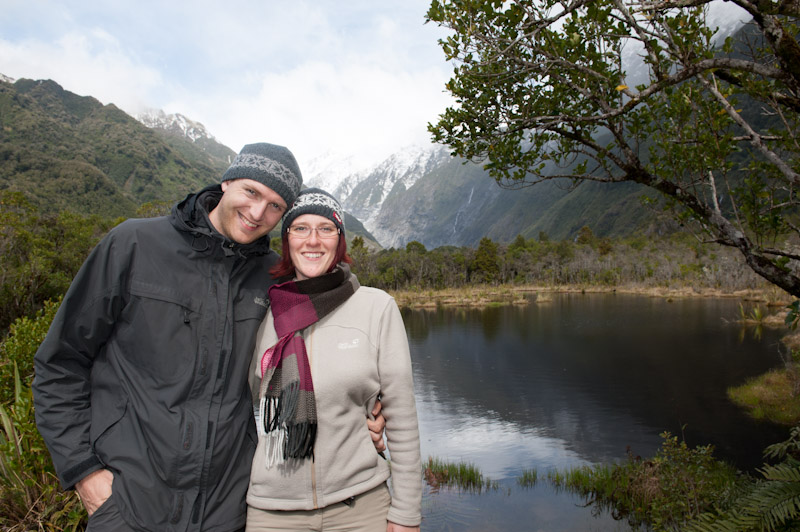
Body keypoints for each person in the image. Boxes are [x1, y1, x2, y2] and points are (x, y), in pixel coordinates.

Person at [32, 143, 385, 532]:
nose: (257, 213)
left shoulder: (274, 277)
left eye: (275, 206)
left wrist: (366, 413)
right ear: (227, 182)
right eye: (251, 192)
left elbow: (321, 352)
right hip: (129, 504)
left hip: (227, 509)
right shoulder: (133, 244)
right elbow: (60, 364)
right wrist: (83, 471)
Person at [246, 188, 422, 532]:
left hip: (360, 507)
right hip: (273, 512)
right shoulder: (261, 313)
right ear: (286, 240)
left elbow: (401, 417)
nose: (313, 240)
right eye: (300, 228)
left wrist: (406, 513)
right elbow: (229, 405)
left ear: (339, 240)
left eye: (325, 229)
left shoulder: (376, 307)